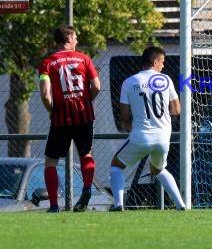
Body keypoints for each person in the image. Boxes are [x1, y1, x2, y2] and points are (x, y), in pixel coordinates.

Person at [108, 46, 186, 211]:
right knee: (158, 169)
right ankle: (181, 205)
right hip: (163, 136)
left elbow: (124, 114)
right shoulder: (166, 80)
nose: (163, 66)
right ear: (155, 62)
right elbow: (177, 110)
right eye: (162, 62)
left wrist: (131, 126)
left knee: (116, 165)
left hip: (141, 135)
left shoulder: (130, 82)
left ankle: (118, 205)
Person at [39, 24, 101, 213]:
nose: (77, 41)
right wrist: (86, 101)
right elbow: (97, 86)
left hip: (60, 118)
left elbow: (45, 94)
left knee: (51, 160)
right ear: (68, 39)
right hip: (84, 115)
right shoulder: (84, 59)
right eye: (75, 37)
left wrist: (51, 109)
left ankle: (54, 206)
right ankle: (87, 188)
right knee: (86, 153)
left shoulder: (47, 63)